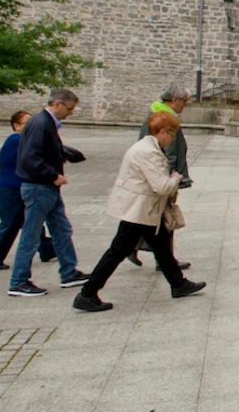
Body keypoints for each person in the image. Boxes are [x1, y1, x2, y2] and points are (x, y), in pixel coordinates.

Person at [73, 111, 206, 311]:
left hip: (144, 208)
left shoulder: (148, 147)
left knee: (161, 246)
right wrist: (176, 179)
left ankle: (178, 284)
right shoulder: (148, 152)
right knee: (118, 251)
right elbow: (161, 186)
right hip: (139, 209)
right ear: (162, 132)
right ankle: (87, 293)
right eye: (171, 134)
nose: (173, 139)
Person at [7, 89, 89, 297]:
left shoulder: (44, 123)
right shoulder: (40, 123)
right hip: (39, 187)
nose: (70, 113)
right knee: (31, 235)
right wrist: (53, 175)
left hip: (46, 188)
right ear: (58, 104)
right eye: (69, 108)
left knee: (61, 230)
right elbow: (30, 158)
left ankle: (69, 272)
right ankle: (18, 281)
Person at [126, 84, 193, 269]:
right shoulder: (164, 119)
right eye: (184, 101)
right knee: (164, 219)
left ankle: (151, 254)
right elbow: (167, 153)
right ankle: (156, 257)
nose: (185, 104)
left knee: (158, 219)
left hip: (160, 177)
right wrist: (170, 181)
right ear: (174, 99)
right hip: (163, 178)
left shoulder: (158, 115)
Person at [0, 111, 56, 270]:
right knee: (10, 224)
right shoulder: (17, 140)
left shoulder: (23, 140)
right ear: (16, 126)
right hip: (9, 190)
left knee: (31, 222)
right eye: (27, 123)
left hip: (18, 188)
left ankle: (47, 249)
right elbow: (37, 157)